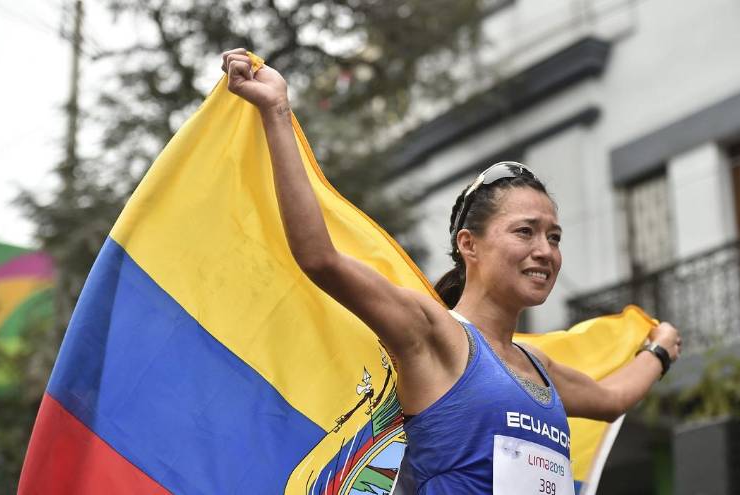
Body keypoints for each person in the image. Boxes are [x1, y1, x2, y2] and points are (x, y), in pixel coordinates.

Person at [220, 49, 681, 494]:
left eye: (554, 237)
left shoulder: (540, 370)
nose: (545, 251)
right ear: (469, 245)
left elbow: (611, 399)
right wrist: (277, 111)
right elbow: (320, 259)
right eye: (526, 231)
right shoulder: (434, 335)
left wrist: (658, 349)